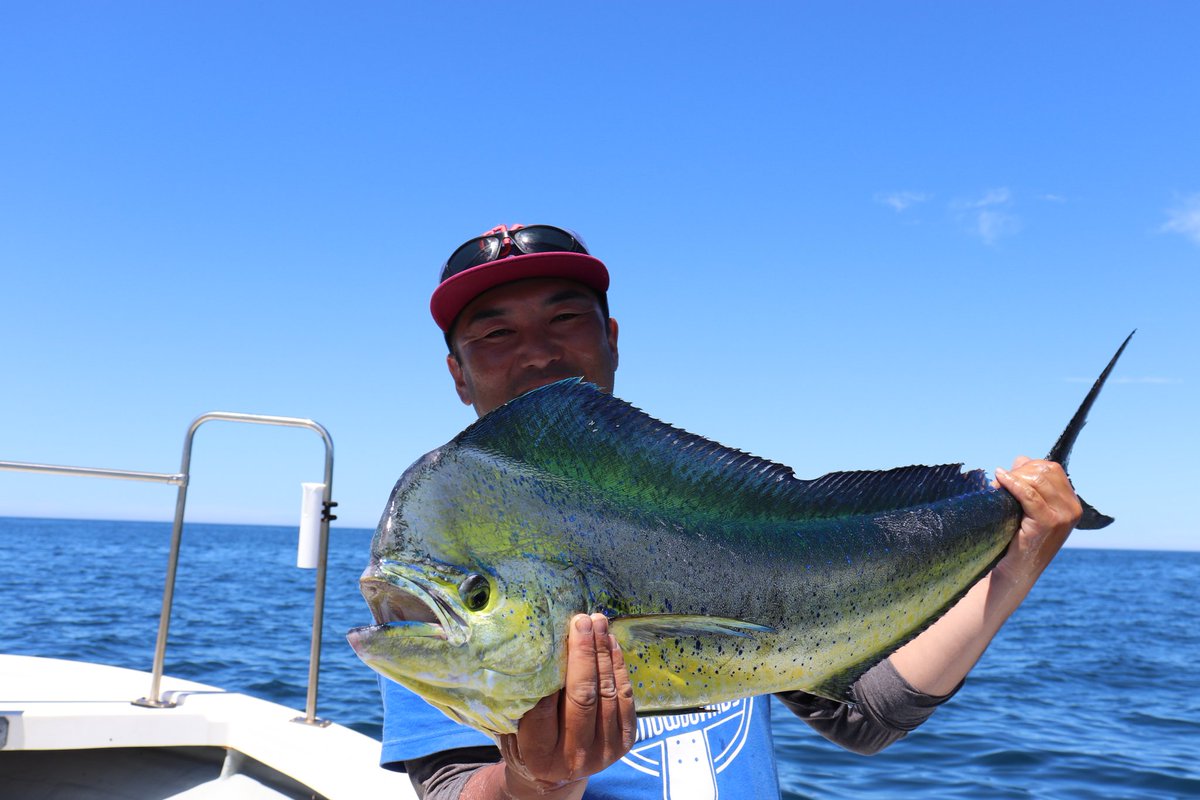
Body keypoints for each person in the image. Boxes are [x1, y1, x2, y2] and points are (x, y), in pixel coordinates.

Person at [379, 223, 1083, 800]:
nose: (537, 352)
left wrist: (1018, 560)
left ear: (612, 337)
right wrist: (541, 781)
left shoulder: (697, 517)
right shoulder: (441, 549)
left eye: (564, 318)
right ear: (458, 372)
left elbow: (865, 715)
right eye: (496, 334)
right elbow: (450, 787)